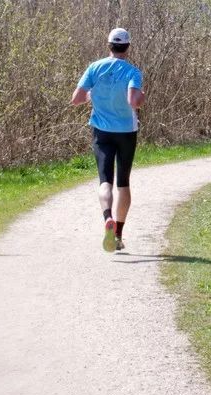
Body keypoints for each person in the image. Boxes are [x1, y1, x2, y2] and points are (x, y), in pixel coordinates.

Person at [71, 27, 145, 252]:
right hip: (126, 132)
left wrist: (92, 95)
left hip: (101, 132)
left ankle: (107, 218)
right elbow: (134, 101)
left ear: (109, 46)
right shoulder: (133, 72)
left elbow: (76, 99)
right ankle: (119, 236)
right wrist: (141, 96)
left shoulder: (95, 68)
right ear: (128, 47)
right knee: (123, 183)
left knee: (105, 181)